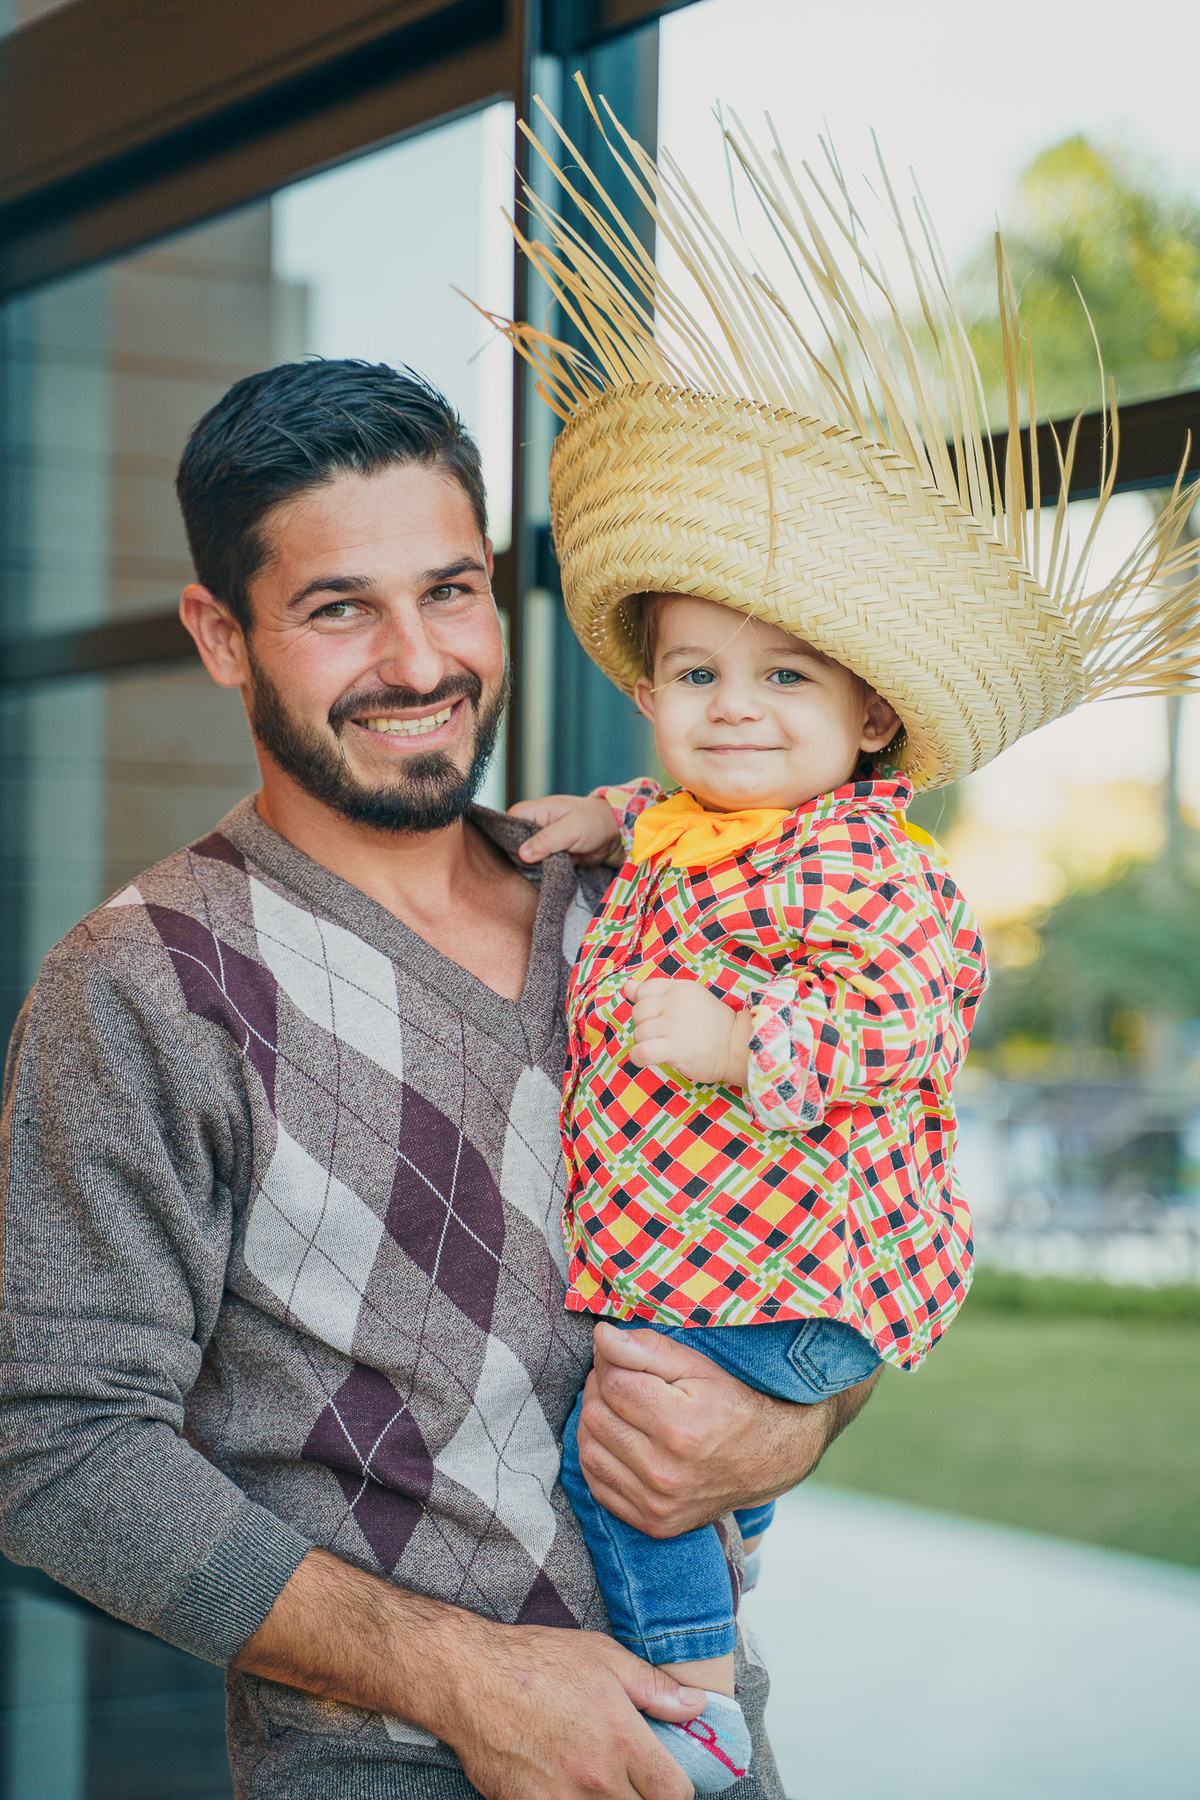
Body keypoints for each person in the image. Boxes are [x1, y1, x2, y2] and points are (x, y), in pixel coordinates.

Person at [0, 356, 877, 1800]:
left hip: (712, 1749)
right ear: (222, 637)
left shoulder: (645, 910)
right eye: (341, 608)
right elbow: (56, 1449)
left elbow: (842, 1224)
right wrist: (466, 1678)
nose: (418, 661)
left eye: (451, 589)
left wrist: (796, 1416)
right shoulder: (144, 983)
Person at [492, 91, 1200, 1795]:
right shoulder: (692, 817)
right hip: (726, 1267)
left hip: (797, 1291)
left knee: (622, 1453)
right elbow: (657, 814)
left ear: (871, 715)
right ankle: (705, 1617)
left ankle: (690, 1700)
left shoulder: (866, 875)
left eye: (785, 680)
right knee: (649, 1444)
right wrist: (596, 814)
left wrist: (740, 1043)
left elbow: (907, 1030)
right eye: (698, 676)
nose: (735, 712)